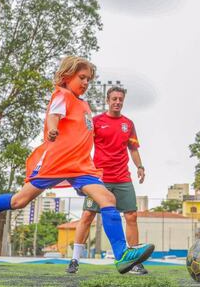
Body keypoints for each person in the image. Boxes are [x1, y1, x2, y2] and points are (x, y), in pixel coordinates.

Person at [0, 56, 154, 274]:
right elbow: (54, 115)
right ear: (67, 76)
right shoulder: (63, 95)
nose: (86, 82)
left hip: (81, 166)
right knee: (19, 200)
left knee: (108, 198)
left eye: (89, 78)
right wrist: (52, 128)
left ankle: (122, 255)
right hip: (57, 161)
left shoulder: (84, 105)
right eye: (82, 77)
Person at [66, 86, 148, 275]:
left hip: (122, 178)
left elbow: (133, 149)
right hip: (99, 179)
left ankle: (134, 261)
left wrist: (140, 167)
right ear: (107, 100)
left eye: (120, 99)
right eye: (114, 99)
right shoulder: (95, 122)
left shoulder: (128, 124)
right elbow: (82, 144)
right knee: (87, 216)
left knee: (131, 216)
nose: (117, 102)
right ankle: (74, 260)